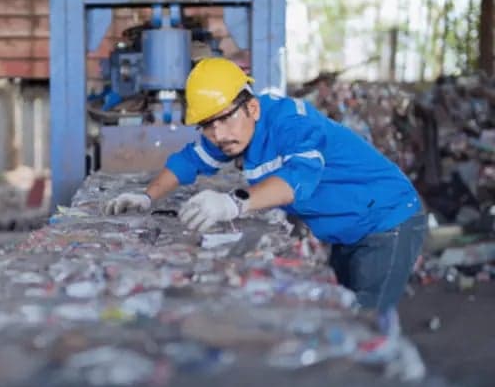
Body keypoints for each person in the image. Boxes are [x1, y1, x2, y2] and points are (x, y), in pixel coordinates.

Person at [104, 57, 426, 312]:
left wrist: (234, 202)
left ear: (252, 107)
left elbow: (298, 181)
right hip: (346, 227)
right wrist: (147, 196)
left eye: (224, 119)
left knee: (365, 320)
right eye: (207, 125)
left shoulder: (292, 123)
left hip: (387, 219)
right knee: (339, 308)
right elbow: (189, 160)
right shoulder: (232, 131)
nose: (217, 134)